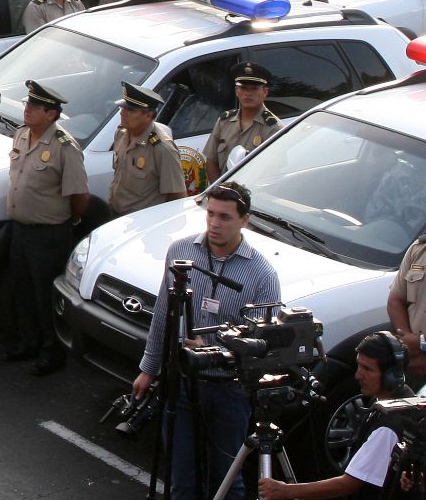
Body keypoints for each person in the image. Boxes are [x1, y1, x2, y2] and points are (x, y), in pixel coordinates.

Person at [132, 182, 282, 500]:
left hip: (230, 390)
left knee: (226, 481)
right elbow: (163, 314)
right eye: (211, 214)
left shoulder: (263, 274)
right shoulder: (181, 251)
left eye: (225, 217)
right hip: (183, 382)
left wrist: (219, 351)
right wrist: (150, 368)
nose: (214, 223)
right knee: (181, 481)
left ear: (245, 220)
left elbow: (263, 347)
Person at [259, 331, 414, 499]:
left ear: (392, 377)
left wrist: (285, 491)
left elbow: (348, 484)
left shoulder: (389, 427)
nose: (358, 375)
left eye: (367, 369)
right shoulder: (397, 398)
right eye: (359, 366)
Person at [3, 80, 89, 376]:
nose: (27, 110)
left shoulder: (64, 146)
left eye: (35, 107)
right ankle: (29, 342)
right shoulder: (21, 135)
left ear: (51, 114)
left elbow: (79, 194)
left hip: (49, 233)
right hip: (21, 228)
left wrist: (69, 221)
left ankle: (52, 351)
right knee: (22, 289)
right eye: (27, 104)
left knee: (44, 294)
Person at [109, 83, 187, 217]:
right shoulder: (121, 134)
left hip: (140, 223)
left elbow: (177, 197)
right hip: (115, 215)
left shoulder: (162, 149)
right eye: (123, 108)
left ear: (148, 115)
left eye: (130, 110)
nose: (122, 113)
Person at [202, 61, 281, 182]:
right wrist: (219, 191)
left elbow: (272, 173)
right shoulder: (224, 121)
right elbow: (211, 161)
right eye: (243, 88)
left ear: (265, 92)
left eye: (254, 89)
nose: (248, 93)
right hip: (222, 193)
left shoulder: (273, 128)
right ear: (236, 91)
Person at [390, 231, 426, 379]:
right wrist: (409, 345)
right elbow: (395, 300)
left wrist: (421, 343)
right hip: (414, 363)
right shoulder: (419, 249)